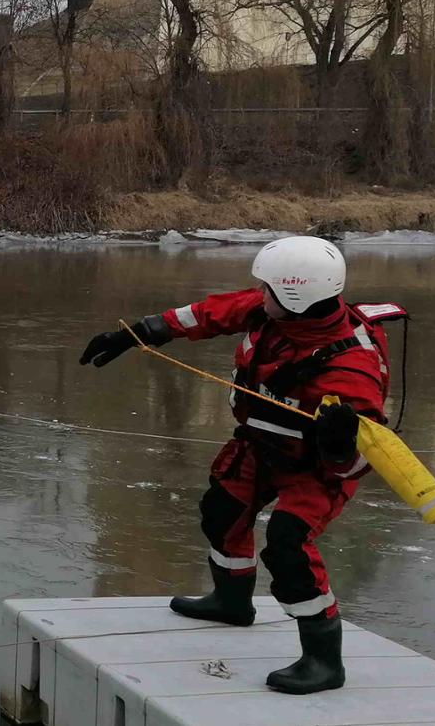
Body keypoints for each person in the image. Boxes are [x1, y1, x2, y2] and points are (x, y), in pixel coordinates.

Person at [78, 235, 406, 696]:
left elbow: (357, 465)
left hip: (315, 470)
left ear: (295, 296)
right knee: (222, 510)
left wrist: (338, 444)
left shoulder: (351, 368)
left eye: (267, 287)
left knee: (288, 548)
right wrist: (137, 333)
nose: (259, 293)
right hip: (260, 443)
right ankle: (232, 602)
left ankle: (323, 658)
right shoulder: (273, 310)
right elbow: (207, 314)